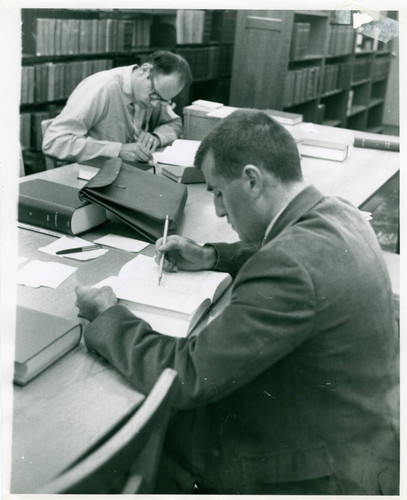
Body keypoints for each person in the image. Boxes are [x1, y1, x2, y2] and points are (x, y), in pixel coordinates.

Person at [75, 110, 399, 495]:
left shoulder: (287, 267)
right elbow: (286, 251)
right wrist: (211, 256)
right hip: (360, 437)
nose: (218, 210)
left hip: (314, 471)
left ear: (252, 180)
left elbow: (188, 375)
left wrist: (109, 316)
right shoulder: (340, 211)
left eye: (217, 192)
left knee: (141, 438)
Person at [42, 51, 192, 163]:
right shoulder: (101, 87)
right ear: (145, 70)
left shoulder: (154, 92)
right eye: (154, 96)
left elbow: (175, 123)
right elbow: (54, 142)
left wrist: (156, 137)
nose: (154, 105)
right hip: (87, 178)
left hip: (123, 175)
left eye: (163, 101)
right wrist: (118, 150)